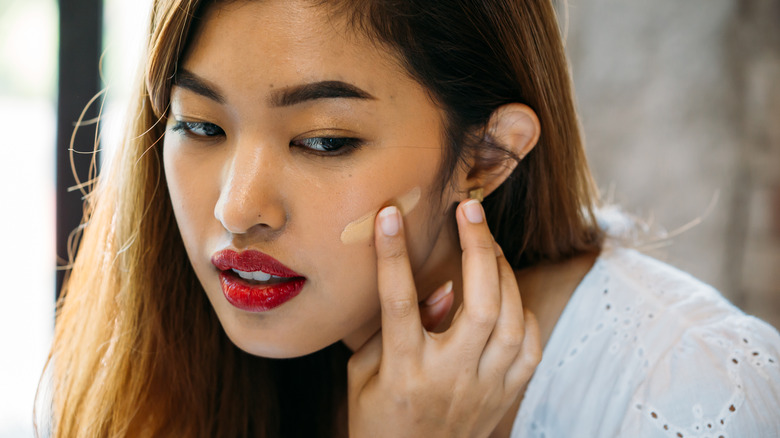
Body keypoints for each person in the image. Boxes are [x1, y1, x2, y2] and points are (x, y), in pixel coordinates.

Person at [41, 0, 780, 437]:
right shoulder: (138, 370)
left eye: (324, 141)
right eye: (200, 127)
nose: (237, 208)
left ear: (486, 157)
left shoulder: (694, 390)